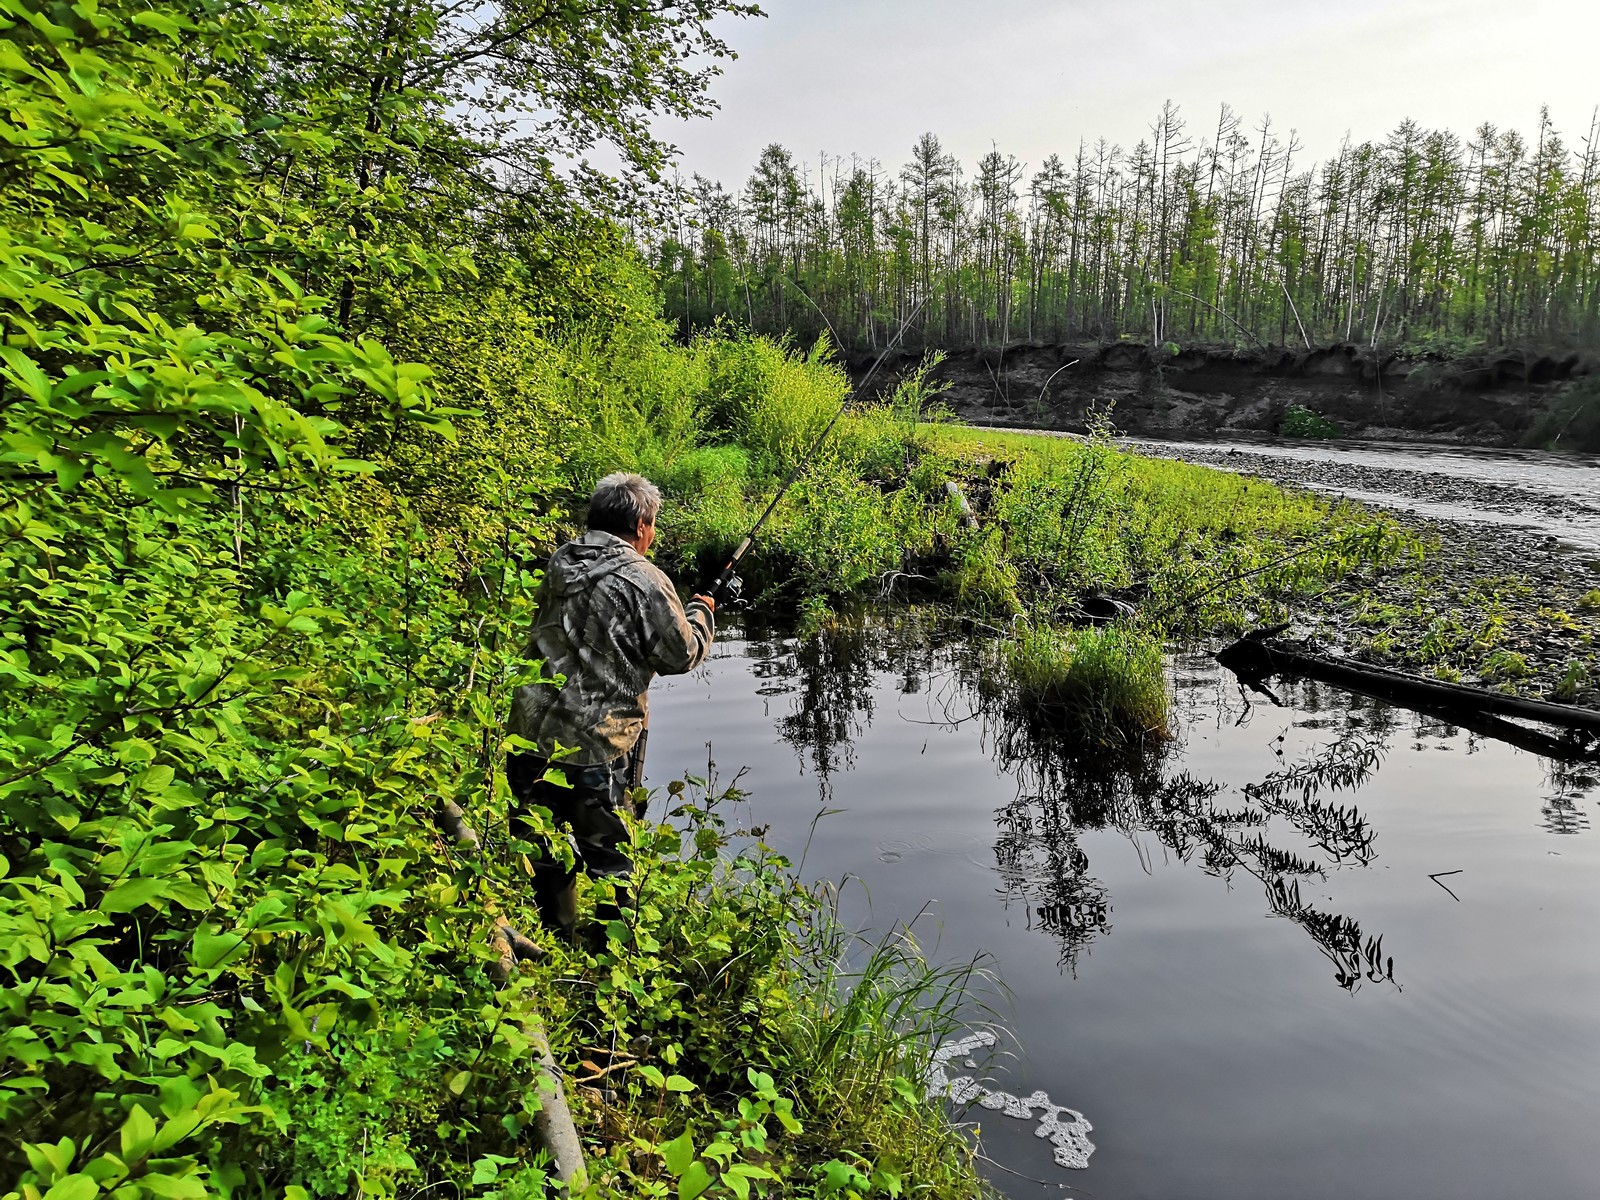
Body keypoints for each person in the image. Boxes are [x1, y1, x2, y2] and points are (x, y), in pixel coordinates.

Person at [506, 472, 715, 940]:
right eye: (653, 524)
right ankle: (609, 963)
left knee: (543, 846)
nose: (653, 533)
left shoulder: (562, 560)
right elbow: (680, 656)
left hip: (529, 733)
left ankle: (558, 938)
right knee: (613, 859)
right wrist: (701, 614)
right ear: (641, 524)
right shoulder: (644, 579)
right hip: (595, 745)